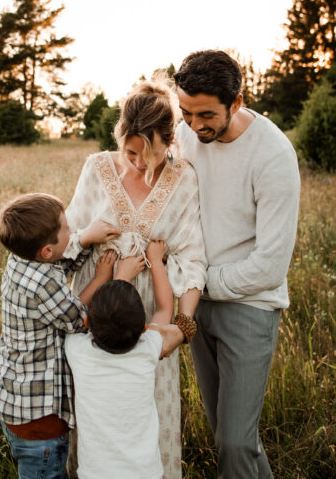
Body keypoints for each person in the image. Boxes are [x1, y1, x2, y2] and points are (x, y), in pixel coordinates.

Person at [65, 81, 207, 479]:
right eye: (131, 153)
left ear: (171, 141)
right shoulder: (96, 169)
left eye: (153, 155)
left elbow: (193, 255)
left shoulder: (184, 178)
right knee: (99, 415)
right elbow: (70, 241)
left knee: (148, 417)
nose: (140, 165)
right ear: (120, 136)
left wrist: (180, 326)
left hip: (150, 321)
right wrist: (89, 239)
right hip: (100, 308)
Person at [174, 50, 301, 478]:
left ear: (237, 101)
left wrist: (198, 282)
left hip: (250, 306)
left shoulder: (273, 155)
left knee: (236, 441)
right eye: (185, 112)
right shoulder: (185, 134)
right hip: (195, 304)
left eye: (206, 114)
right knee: (226, 437)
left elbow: (270, 266)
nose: (194, 125)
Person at [0, 192, 121, 479]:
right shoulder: (43, 283)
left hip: (17, 405)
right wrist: (102, 278)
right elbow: (78, 318)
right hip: (41, 421)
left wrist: (85, 239)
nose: (71, 231)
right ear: (46, 251)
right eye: (66, 228)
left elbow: (58, 265)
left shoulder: (21, 260)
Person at [66, 240, 182, 479]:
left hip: (95, 474)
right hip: (145, 473)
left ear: (88, 323)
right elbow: (164, 310)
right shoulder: (148, 348)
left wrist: (108, 279)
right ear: (144, 328)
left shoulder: (76, 350)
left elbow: (71, 314)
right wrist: (157, 262)